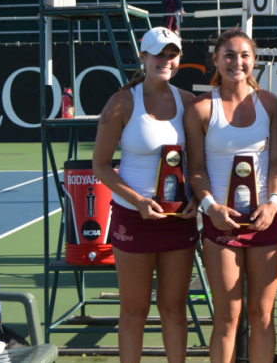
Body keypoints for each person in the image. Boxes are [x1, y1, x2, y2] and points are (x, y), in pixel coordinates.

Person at [92, 26, 198, 363]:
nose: (165, 60)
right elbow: (101, 165)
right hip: (132, 219)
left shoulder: (191, 104)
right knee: (134, 311)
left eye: (172, 54)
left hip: (178, 220)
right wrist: (138, 201)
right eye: (158, 53)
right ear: (143, 57)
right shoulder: (122, 101)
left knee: (174, 309)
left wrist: (195, 196)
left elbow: (199, 163)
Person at [184, 29, 277, 363]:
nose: (237, 62)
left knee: (262, 315)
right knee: (227, 317)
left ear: (254, 61)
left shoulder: (270, 104)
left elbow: (276, 162)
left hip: (264, 221)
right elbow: (196, 168)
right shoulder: (200, 109)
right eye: (229, 55)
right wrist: (211, 208)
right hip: (220, 223)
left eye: (244, 55)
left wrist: (273, 203)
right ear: (215, 60)